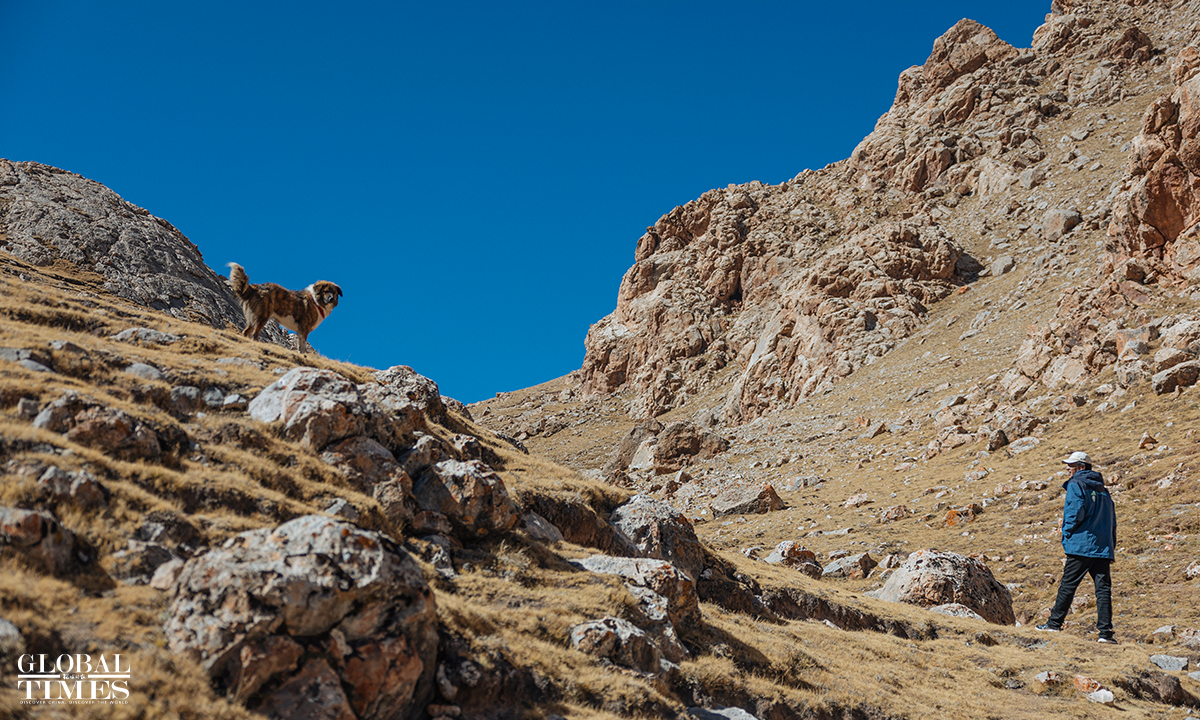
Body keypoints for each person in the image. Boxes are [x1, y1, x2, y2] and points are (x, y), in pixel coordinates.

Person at [1037, 451, 1118, 643]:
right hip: (1102, 547)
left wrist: (1067, 533)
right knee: (1103, 590)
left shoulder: (1076, 484)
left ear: (1081, 467)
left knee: (1068, 585)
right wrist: (1111, 547)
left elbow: (1074, 512)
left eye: (1071, 465)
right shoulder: (1103, 490)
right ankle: (1105, 634)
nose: (1067, 468)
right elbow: (1112, 520)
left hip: (1081, 545)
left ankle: (1054, 624)